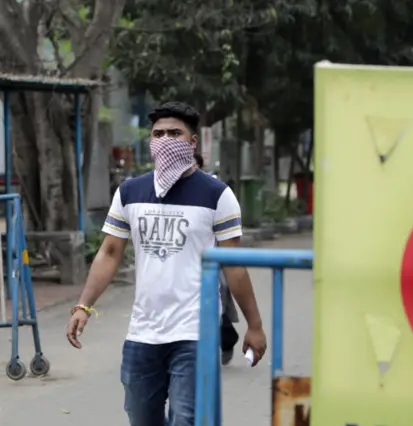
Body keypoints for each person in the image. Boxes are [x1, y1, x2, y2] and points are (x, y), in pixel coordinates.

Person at [66, 101, 267, 426]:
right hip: (143, 333)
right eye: (159, 134)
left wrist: (254, 325)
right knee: (141, 417)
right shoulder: (131, 192)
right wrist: (83, 306)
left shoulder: (217, 195)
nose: (166, 140)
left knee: (186, 419)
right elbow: (110, 252)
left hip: (196, 331)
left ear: (192, 142)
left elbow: (235, 265)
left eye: (175, 133)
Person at [193, 152, 241, 365]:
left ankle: (226, 338)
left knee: (219, 295)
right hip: (187, 262)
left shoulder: (215, 190)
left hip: (214, 259)